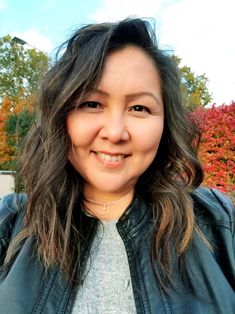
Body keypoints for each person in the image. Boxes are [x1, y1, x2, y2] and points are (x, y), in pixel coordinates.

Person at [0, 18, 234, 314]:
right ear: (60, 115)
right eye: (91, 104)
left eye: (139, 108)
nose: (115, 132)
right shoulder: (9, 224)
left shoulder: (219, 224)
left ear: (166, 124)